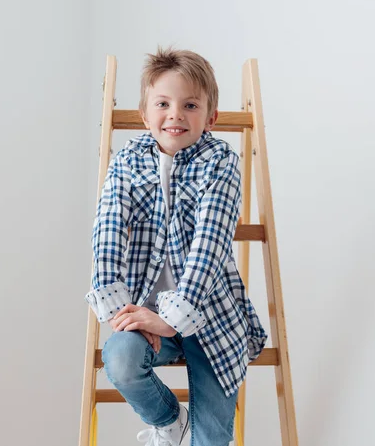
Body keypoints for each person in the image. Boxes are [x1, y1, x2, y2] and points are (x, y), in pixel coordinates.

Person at [86, 47, 267, 446]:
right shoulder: (129, 161)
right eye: (163, 104)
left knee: (212, 437)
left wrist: (175, 317)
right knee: (120, 357)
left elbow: (211, 242)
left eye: (190, 105)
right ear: (144, 114)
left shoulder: (219, 161)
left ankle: (199, 429)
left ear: (211, 117)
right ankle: (170, 419)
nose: (175, 115)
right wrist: (122, 312)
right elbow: (108, 228)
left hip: (211, 316)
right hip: (147, 315)